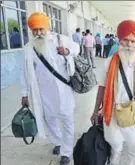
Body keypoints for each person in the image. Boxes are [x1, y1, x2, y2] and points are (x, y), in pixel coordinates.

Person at [90, 20, 135, 165]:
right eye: (125, 40)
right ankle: (114, 159)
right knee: (115, 143)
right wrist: (95, 111)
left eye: (133, 41)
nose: (129, 44)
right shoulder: (108, 63)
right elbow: (101, 88)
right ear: (120, 41)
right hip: (112, 110)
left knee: (134, 145)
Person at [20, 12, 79, 165]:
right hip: (45, 93)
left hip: (65, 90)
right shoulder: (29, 48)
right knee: (49, 119)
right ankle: (57, 142)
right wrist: (24, 94)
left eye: (41, 29)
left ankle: (66, 152)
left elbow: (77, 48)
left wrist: (67, 51)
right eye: (35, 30)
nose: (38, 33)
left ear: (48, 28)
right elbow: (25, 72)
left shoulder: (61, 39)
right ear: (31, 31)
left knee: (67, 120)